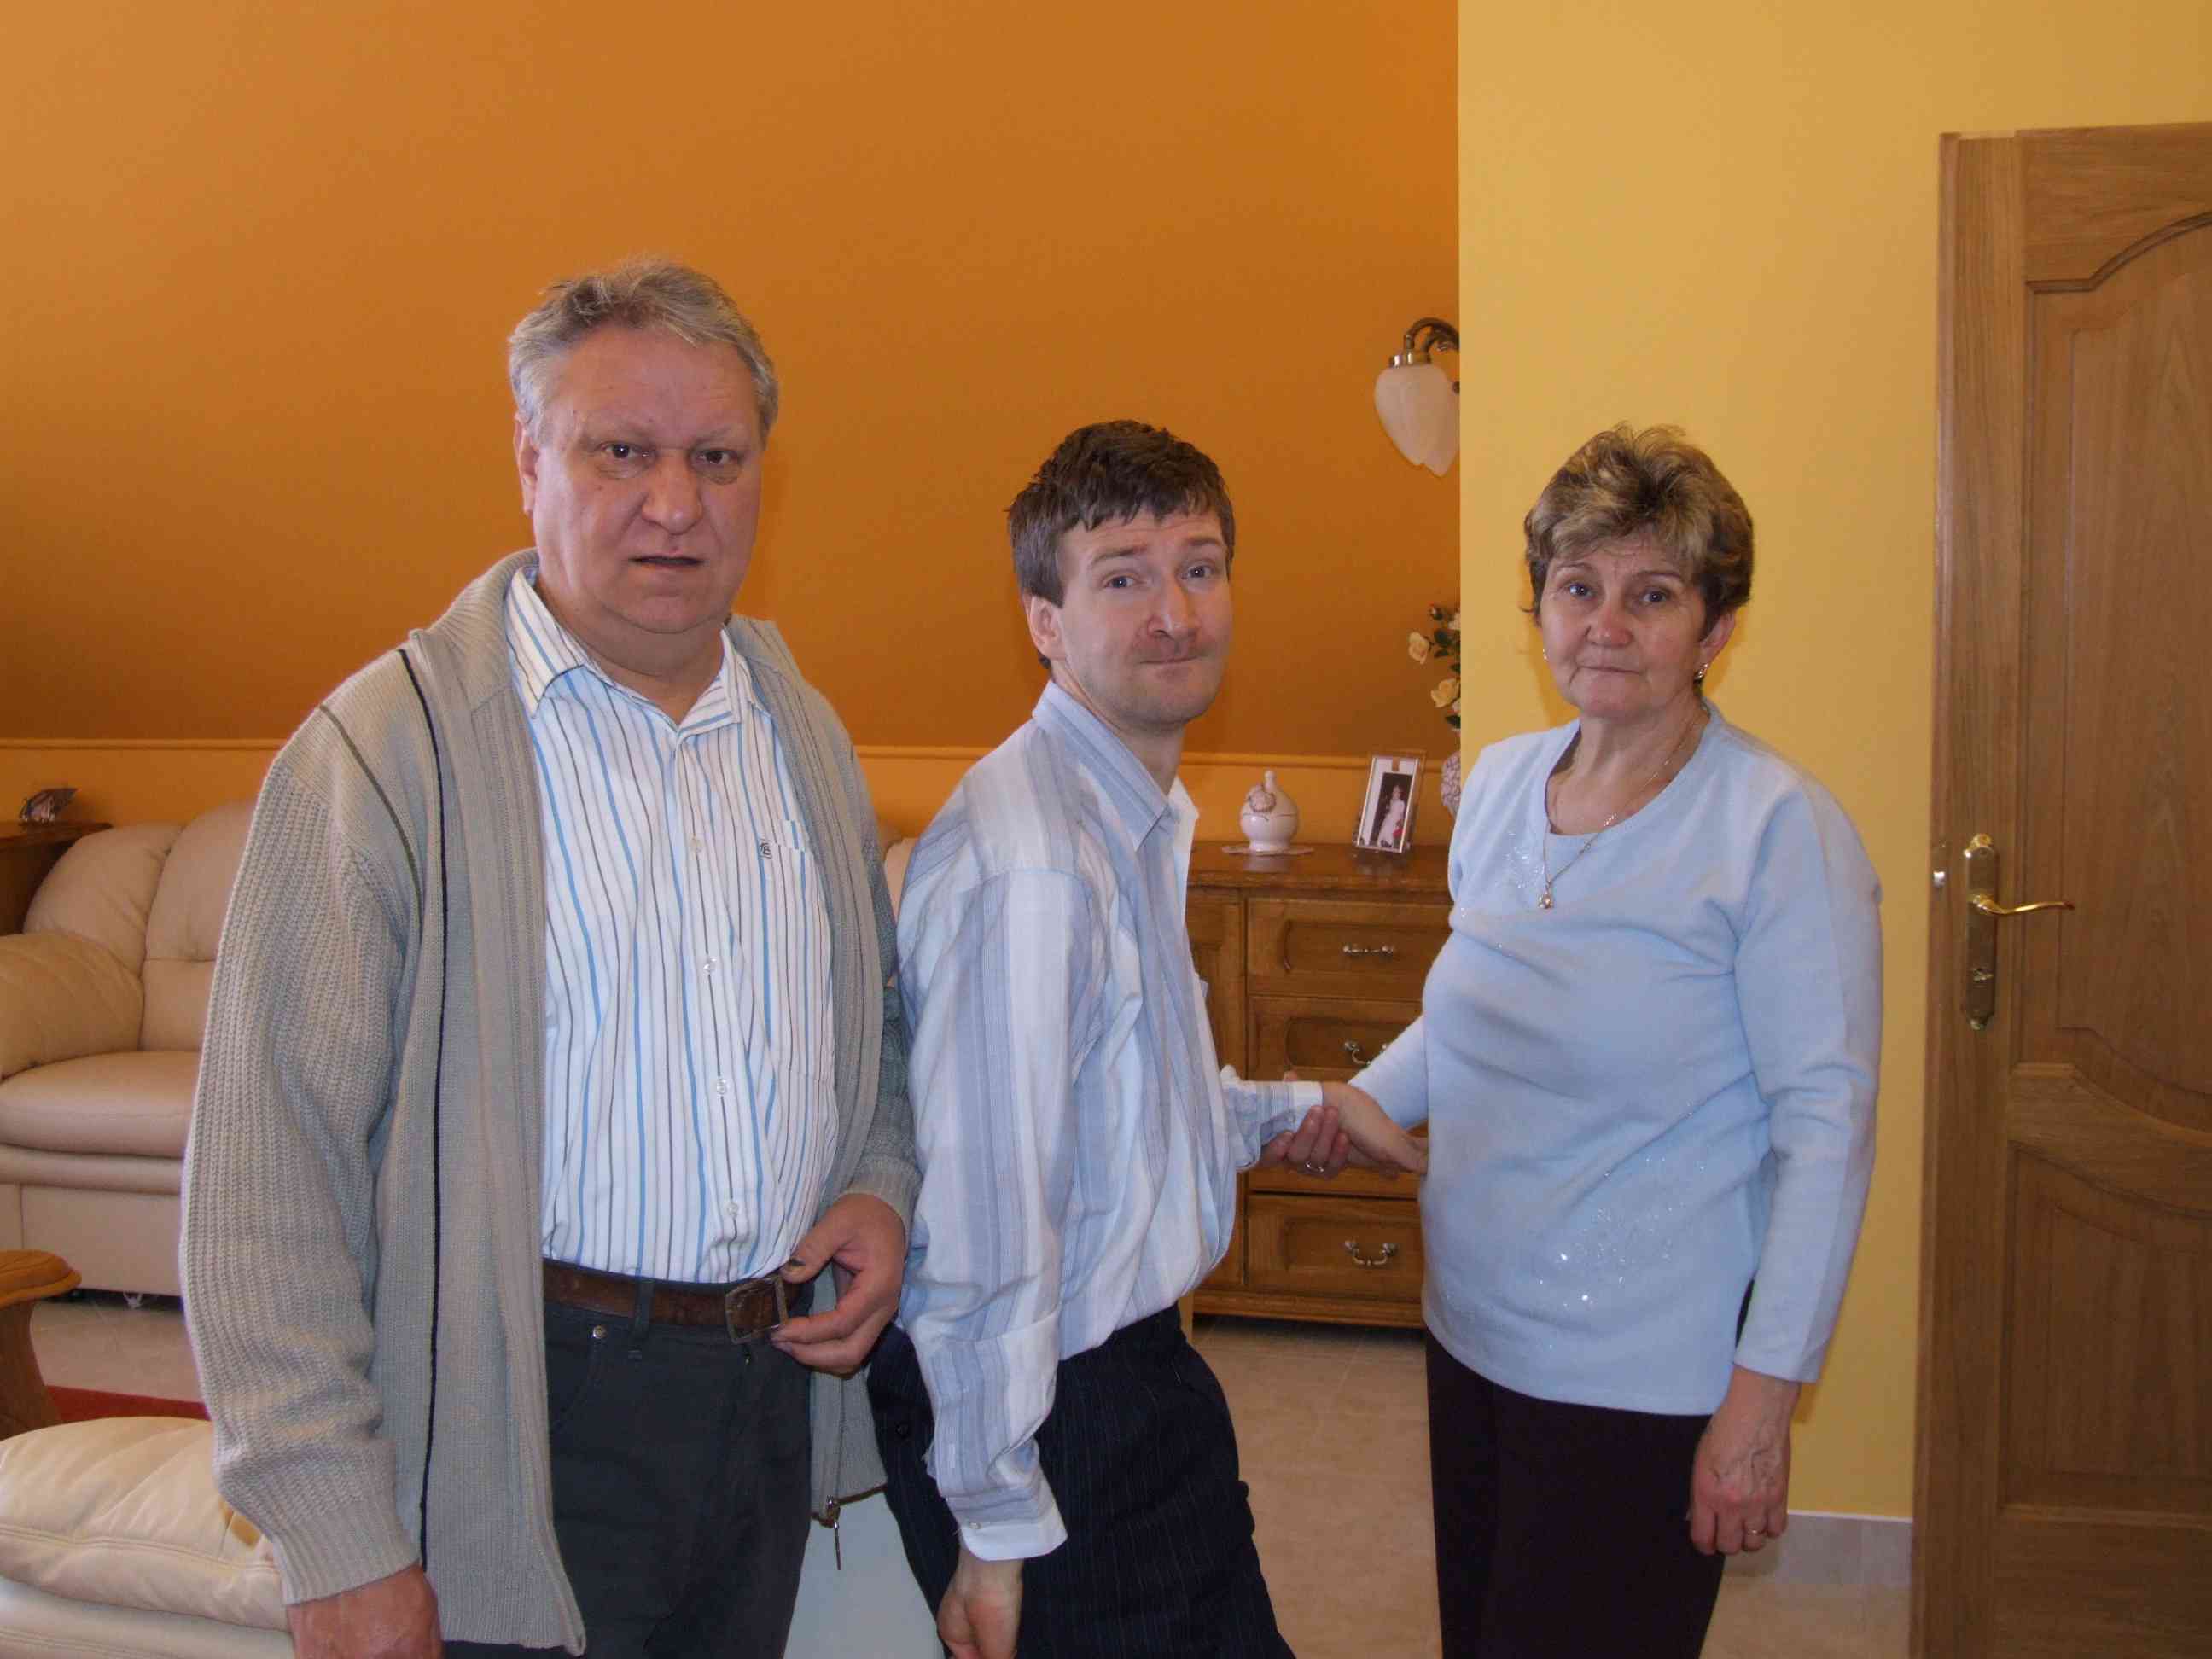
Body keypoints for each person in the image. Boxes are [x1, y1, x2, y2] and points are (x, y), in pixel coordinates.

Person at [181, 259, 917, 1657]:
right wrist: (335, 1539)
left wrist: (878, 1183)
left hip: (763, 1404)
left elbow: (874, 1026)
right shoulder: (383, 755)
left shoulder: (803, 732)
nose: (675, 503)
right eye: (620, 452)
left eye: (717, 458)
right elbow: (265, 1180)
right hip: (515, 1418)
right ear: (529, 462)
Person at [870, 421, 1426, 1659]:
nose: (1176, 614)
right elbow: (987, 1213)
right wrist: (995, 1524)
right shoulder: (1037, 863)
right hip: (1061, 1416)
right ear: (1045, 621)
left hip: (1130, 1383)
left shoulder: (1127, 813)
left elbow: (1108, 1105)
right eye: (1122, 577)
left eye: (1200, 566)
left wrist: (1291, 1106)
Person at [1338, 424, 1880, 1656]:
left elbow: (1827, 1133)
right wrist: (1357, 1098)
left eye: (1654, 596)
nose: (1606, 626)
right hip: (1470, 1332)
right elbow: (1479, 1006)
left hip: (1643, 1376)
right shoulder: (1499, 784)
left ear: (1717, 629)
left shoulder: (1776, 829)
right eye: (1578, 588)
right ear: (1538, 608)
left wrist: (1761, 1407)